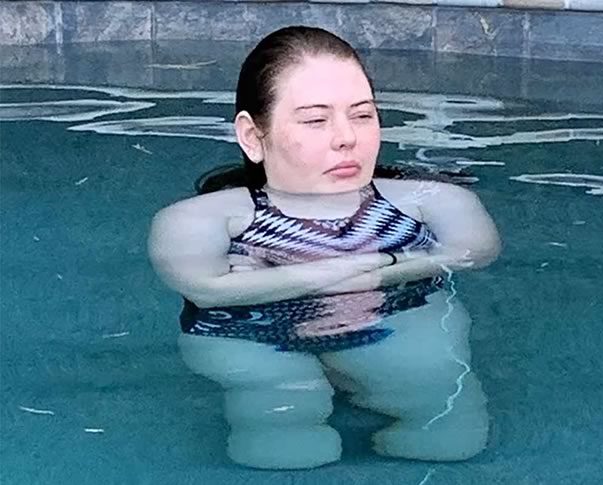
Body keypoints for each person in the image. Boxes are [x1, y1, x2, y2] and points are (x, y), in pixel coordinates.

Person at [147, 26, 501, 470]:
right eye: (316, 120)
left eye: (363, 115)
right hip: (248, 334)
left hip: (388, 316)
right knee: (286, 439)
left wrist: (368, 271)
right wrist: (375, 267)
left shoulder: (433, 201)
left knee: (449, 436)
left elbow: (476, 252)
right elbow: (208, 291)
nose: (346, 137)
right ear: (253, 136)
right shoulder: (198, 219)